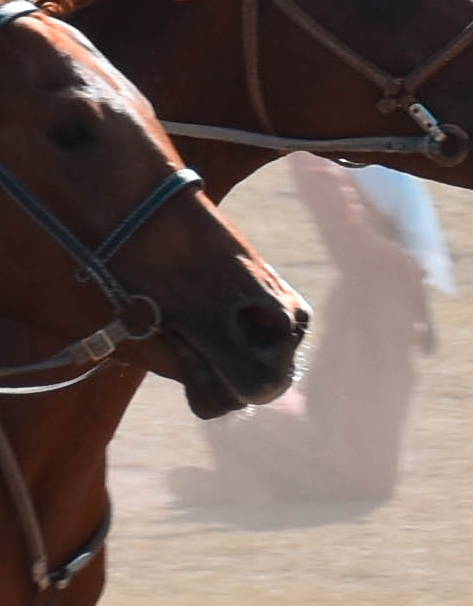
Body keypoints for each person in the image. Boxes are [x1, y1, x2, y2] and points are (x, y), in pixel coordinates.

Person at [182, 166, 449, 514]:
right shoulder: (387, 286)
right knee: (245, 404)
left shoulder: (376, 285)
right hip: (385, 293)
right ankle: (249, 477)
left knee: (226, 406)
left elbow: (348, 236)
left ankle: (246, 480)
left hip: (348, 463)